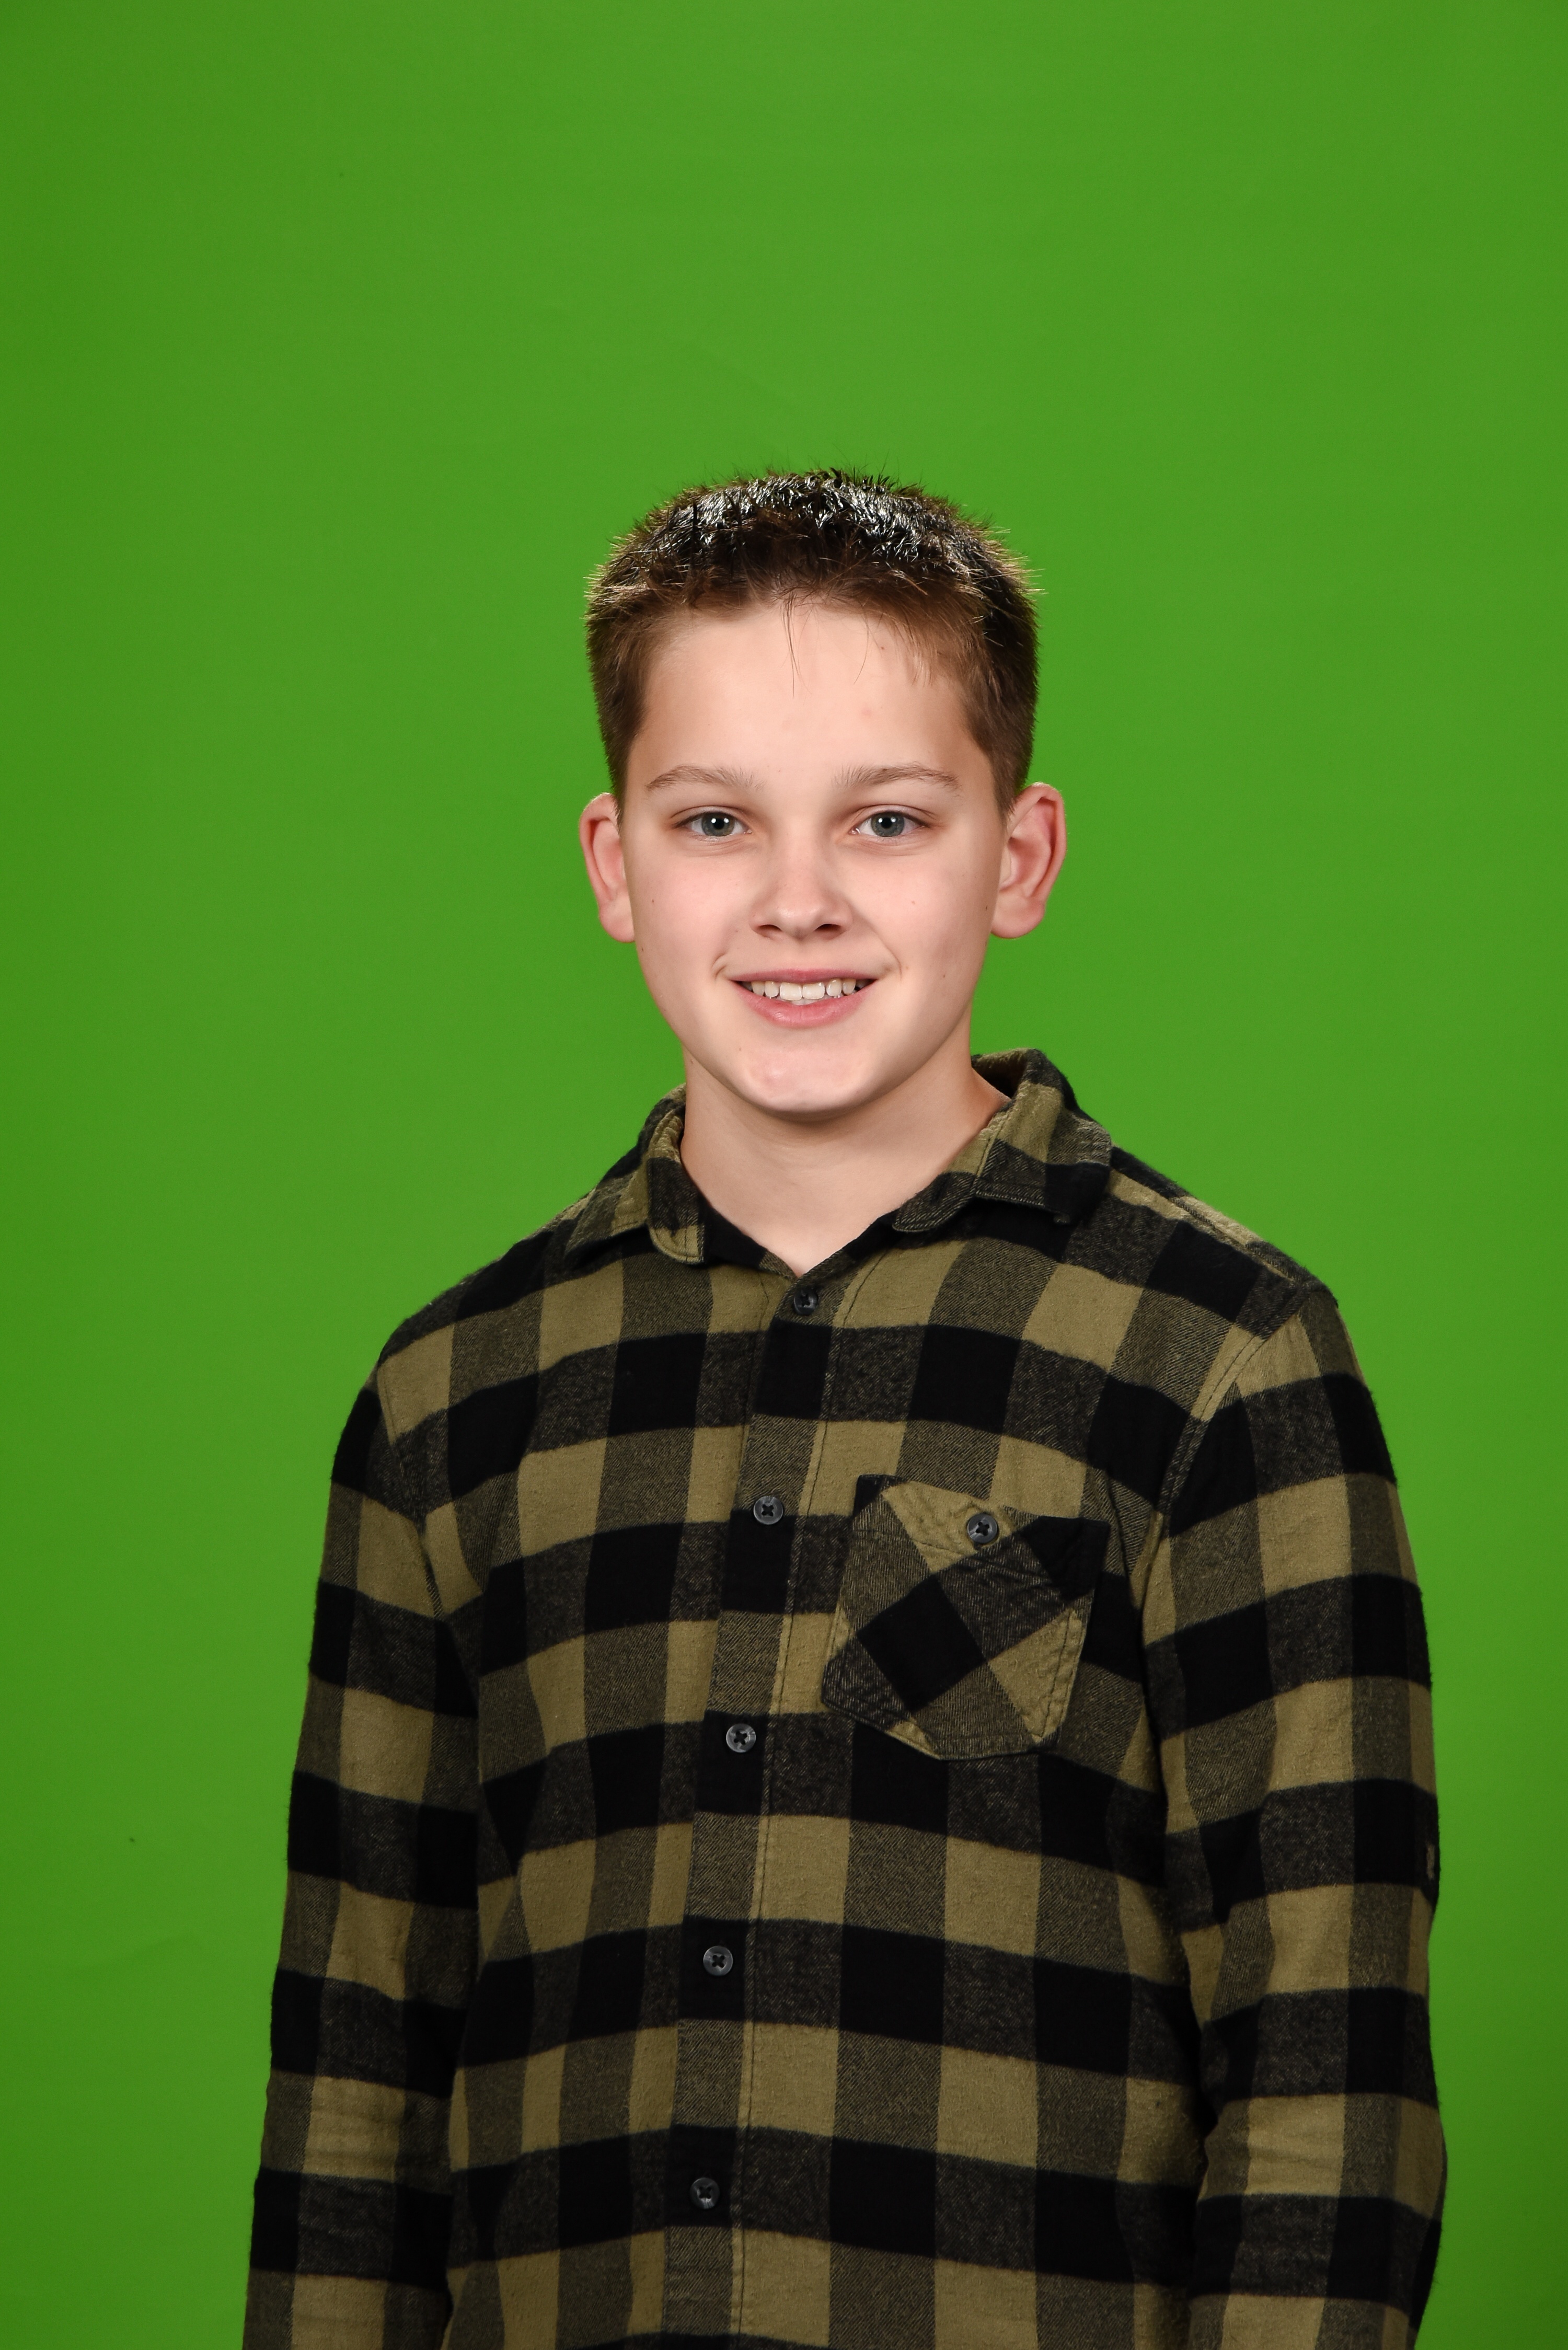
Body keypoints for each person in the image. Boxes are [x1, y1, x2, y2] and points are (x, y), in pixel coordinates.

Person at [245, 472, 1443, 2349]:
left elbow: (1327, 2080)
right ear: (615, 864)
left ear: (1019, 857)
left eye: (888, 820)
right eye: (715, 820)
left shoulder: (1220, 1355)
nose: (797, 899)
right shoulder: (453, 1396)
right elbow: (354, 2080)